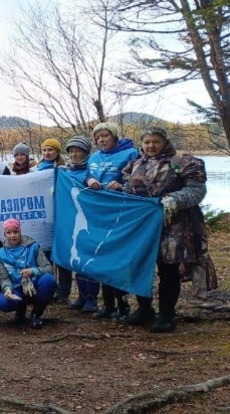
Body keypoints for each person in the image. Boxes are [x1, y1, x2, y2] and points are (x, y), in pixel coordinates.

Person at [122, 127, 217, 333]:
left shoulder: (183, 163)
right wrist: (115, 188)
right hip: (143, 227)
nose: (151, 146)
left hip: (174, 227)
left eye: (155, 142)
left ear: (165, 142)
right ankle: (144, 308)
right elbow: (128, 190)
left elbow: (196, 191)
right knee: (142, 267)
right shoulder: (136, 164)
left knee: (168, 270)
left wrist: (173, 200)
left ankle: (166, 314)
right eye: (147, 142)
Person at [87, 122, 139, 320]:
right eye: (98, 137)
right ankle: (108, 305)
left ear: (114, 136)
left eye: (105, 136)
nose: (101, 140)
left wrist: (123, 184)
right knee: (101, 258)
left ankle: (122, 304)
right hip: (98, 215)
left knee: (117, 260)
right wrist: (88, 181)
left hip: (120, 214)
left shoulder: (130, 154)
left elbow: (138, 179)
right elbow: (87, 176)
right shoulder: (94, 157)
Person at [56, 136, 99, 312]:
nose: (73, 155)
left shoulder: (91, 170)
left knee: (88, 259)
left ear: (86, 153)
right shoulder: (65, 172)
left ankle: (92, 297)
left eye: (77, 151)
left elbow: (96, 188)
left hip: (89, 220)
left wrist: (92, 182)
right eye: (71, 151)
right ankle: (81, 296)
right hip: (70, 221)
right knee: (76, 258)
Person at [0, 219, 57, 329]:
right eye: (9, 233)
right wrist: (7, 289)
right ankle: (20, 308)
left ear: (20, 231)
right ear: (4, 234)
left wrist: (33, 271)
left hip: (34, 285)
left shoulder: (33, 246)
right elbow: (3, 277)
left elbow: (48, 268)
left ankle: (36, 314)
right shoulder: (1, 253)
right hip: (16, 288)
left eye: (15, 232)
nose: (12, 236)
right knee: (3, 303)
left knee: (49, 280)